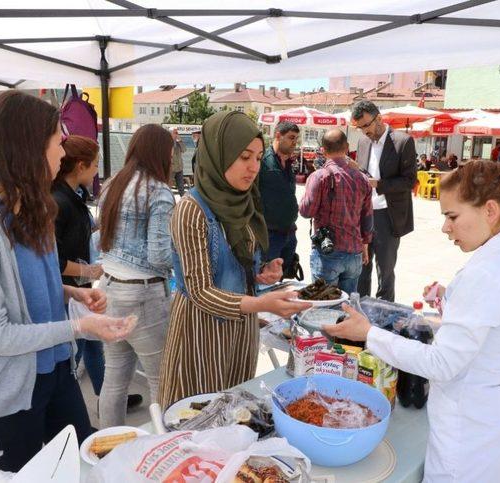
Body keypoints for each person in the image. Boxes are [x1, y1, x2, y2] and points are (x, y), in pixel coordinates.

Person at [324, 160, 500, 482]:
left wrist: (369, 333)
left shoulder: (486, 274)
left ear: (489, 210)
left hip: (471, 438)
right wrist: (452, 298)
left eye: (452, 216)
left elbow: (442, 364)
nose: (446, 228)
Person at [0, 91, 133, 472]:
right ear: (28, 147)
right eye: (57, 141)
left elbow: (31, 286)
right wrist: (78, 326)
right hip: (10, 395)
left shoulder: (33, 206)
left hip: (56, 372)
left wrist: (71, 291)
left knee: (85, 461)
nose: (63, 153)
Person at [158, 111, 311, 409]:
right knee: (199, 416)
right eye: (244, 157)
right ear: (219, 154)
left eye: (257, 157)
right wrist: (263, 304)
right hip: (202, 333)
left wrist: (261, 274)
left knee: (233, 410)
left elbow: (233, 267)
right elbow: (200, 290)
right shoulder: (191, 210)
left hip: (240, 331)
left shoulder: (243, 203)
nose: (254, 167)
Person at [51, 135, 142, 411]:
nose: (96, 171)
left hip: (78, 288)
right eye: (95, 165)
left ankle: (108, 399)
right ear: (80, 166)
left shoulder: (72, 197)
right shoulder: (59, 202)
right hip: (66, 291)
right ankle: (106, 400)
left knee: (89, 345)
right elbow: (55, 260)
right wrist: (89, 269)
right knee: (80, 345)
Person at [97, 124, 175, 427]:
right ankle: (161, 449)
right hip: (143, 296)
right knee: (160, 381)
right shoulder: (159, 191)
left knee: (114, 377)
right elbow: (159, 255)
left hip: (109, 288)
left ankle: (106, 449)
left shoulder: (113, 183)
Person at [350, 100, 417, 301]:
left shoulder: (403, 141)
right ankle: (361, 309)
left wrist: (378, 184)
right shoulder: (363, 142)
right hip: (364, 215)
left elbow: (409, 180)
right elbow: (365, 173)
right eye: (359, 127)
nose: (363, 131)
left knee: (385, 269)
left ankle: (384, 311)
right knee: (362, 267)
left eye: (366, 125)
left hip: (388, 214)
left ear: (379, 118)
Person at [299, 129, 373, 294]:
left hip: (328, 253)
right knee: (346, 307)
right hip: (354, 252)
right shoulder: (362, 179)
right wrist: (365, 246)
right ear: (347, 148)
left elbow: (306, 211)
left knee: (325, 307)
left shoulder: (319, 177)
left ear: (323, 150)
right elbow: (367, 217)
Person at [258, 121, 300, 279]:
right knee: (266, 281)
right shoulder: (264, 161)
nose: (294, 142)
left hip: (289, 233)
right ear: (278, 136)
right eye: (291, 137)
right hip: (270, 235)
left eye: (296, 138)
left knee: (285, 282)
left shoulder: (289, 163)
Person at [170, 128, 185, 196]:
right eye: (175, 133)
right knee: (169, 186)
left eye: (177, 133)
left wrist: (180, 141)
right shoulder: (167, 142)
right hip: (171, 168)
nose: (177, 135)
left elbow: (184, 150)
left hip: (179, 167)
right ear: (170, 133)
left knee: (181, 186)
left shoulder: (179, 142)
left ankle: (183, 200)